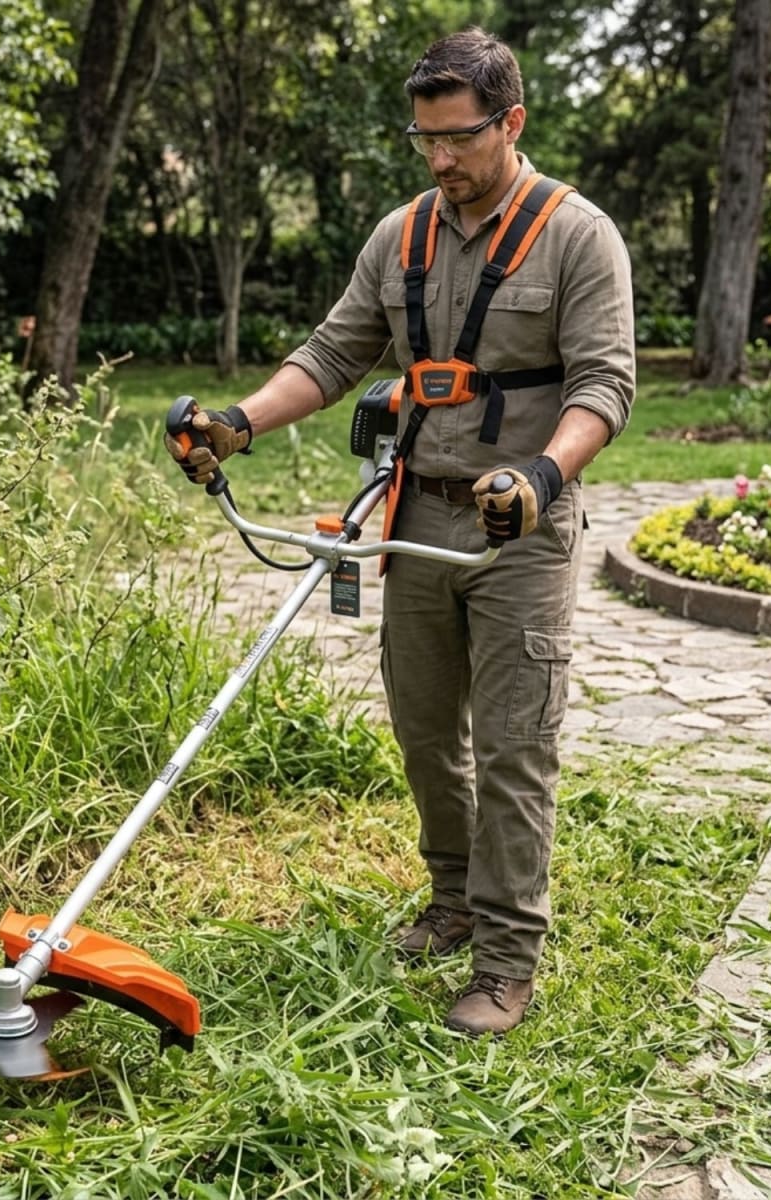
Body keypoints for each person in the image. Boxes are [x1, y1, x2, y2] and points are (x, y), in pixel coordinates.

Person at [164, 28, 635, 1036]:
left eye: (457, 138)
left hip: (522, 531)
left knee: (516, 746)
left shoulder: (579, 236)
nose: (439, 160)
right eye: (423, 139)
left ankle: (508, 961)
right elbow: (334, 352)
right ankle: (454, 899)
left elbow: (605, 384)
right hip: (419, 513)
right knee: (426, 734)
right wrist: (239, 423)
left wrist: (546, 474)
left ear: (511, 122)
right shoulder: (403, 235)